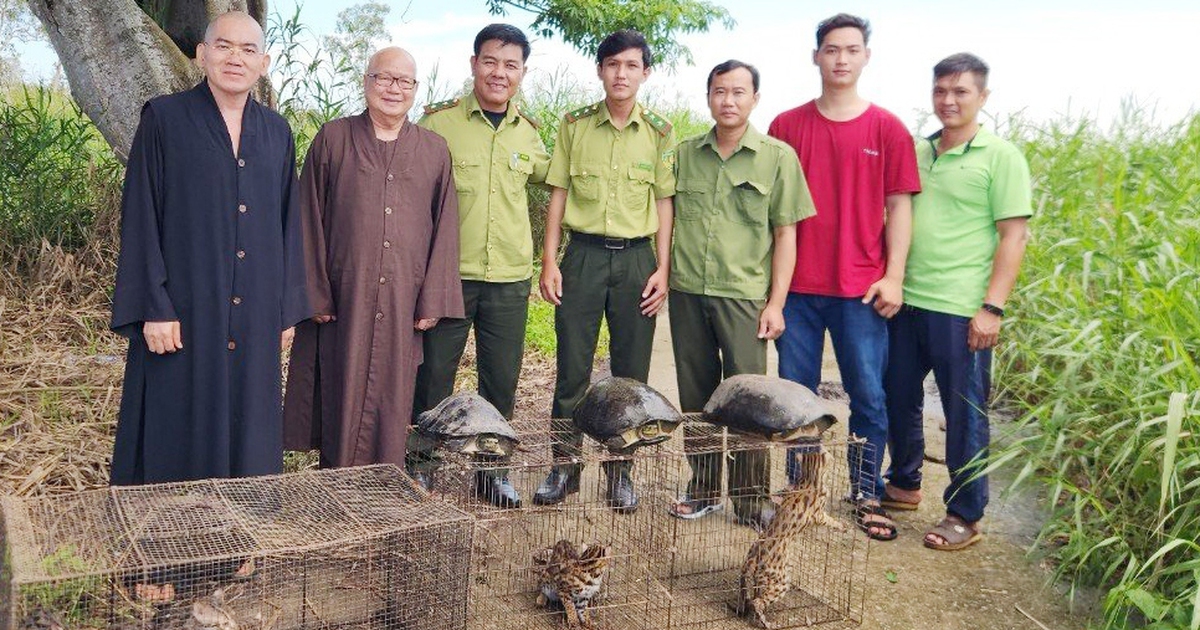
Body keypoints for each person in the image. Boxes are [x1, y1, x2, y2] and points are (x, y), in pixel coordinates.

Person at [108, 10, 308, 602]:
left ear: (263, 63)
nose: (235, 57)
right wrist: (153, 305)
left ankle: (231, 548)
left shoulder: (277, 132)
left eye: (248, 49)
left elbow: (288, 225)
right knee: (173, 428)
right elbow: (141, 215)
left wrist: (284, 310)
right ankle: (158, 562)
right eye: (224, 45)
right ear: (201, 53)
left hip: (254, 312)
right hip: (182, 311)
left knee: (245, 429)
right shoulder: (165, 119)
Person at [767, 13, 920, 541]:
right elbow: (772, 214)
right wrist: (773, 291)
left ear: (865, 57)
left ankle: (866, 490)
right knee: (798, 397)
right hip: (798, 290)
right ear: (816, 56)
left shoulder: (887, 129)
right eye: (831, 49)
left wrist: (894, 276)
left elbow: (899, 207)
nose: (841, 59)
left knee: (868, 395)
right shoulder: (787, 126)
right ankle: (801, 490)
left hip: (861, 289)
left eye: (851, 50)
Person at [283, 47, 463, 469]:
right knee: (338, 385)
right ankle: (337, 483)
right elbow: (307, 216)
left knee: (392, 395)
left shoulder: (434, 150)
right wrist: (314, 293)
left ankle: (384, 483)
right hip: (344, 297)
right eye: (383, 77)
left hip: (403, 298)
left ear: (415, 89)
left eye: (404, 81)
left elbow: (445, 226)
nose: (393, 88)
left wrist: (432, 300)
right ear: (366, 82)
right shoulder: (333, 138)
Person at [883, 53, 1032, 551]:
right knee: (897, 395)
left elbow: (1014, 235)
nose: (948, 100)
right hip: (907, 301)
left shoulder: (1001, 157)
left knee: (964, 412)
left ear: (983, 97)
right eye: (940, 90)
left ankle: (965, 513)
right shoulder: (918, 151)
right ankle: (904, 482)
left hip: (961, 308)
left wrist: (992, 307)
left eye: (961, 91)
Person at [665, 60, 816, 529]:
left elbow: (786, 234)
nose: (727, 101)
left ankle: (751, 499)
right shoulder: (686, 154)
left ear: (755, 98)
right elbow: (667, 217)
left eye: (738, 92)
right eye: (719, 91)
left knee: (750, 399)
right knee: (697, 397)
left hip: (744, 297)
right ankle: (704, 487)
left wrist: (776, 303)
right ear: (708, 96)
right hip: (689, 291)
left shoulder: (777, 157)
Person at [533, 29, 676, 513]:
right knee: (572, 368)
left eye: (631, 65)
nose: (621, 74)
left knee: (630, 375)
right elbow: (558, 194)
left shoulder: (659, 131)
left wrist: (663, 268)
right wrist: (550, 260)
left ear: (645, 73)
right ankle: (564, 467)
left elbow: (664, 202)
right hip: (584, 257)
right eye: (612, 64)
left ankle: (621, 474)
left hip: (637, 261)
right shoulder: (575, 125)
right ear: (600, 70)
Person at [408, 24, 550, 508]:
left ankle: (492, 474)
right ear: (474, 64)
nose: (499, 73)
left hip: (509, 278)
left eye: (511, 65)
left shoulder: (529, 133)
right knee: (432, 377)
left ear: (522, 72)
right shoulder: (438, 124)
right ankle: (420, 466)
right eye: (490, 61)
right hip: (449, 276)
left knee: (501, 381)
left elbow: (557, 186)